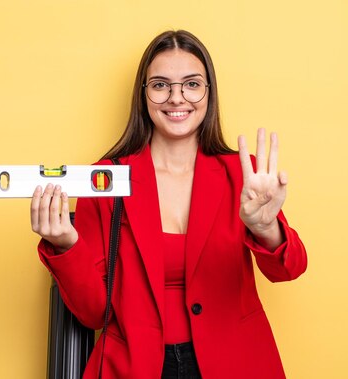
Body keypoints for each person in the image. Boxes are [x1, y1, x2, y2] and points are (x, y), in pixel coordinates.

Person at [31, 30, 307, 379]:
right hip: (136, 367)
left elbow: (290, 269)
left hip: (235, 362)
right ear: (143, 94)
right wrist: (65, 244)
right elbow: (92, 312)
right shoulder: (106, 179)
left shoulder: (242, 173)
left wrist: (267, 228)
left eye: (191, 84)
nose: (177, 98)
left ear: (209, 92)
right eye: (161, 85)